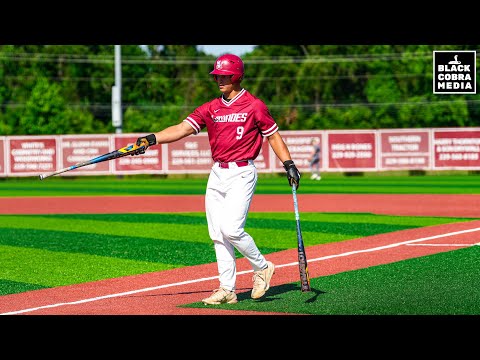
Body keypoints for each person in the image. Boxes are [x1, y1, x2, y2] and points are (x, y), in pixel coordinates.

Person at [132, 53, 301, 305]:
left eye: (225, 75)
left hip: (242, 172)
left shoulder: (255, 105)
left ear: (237, 76)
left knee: (231, 228)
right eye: (217, 75)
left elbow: (273, 136)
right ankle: (227, 289)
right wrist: (151, 139)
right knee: (217, 234)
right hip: (217, 173)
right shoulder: (211, 107)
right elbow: (182, 128)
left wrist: (288, 163)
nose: (219, 79)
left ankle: (262, 266)